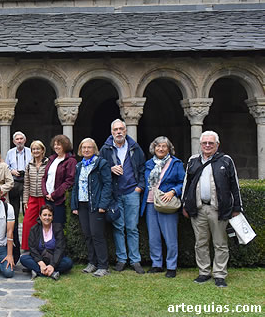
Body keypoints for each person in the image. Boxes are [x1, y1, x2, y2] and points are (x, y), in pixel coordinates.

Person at [182, 131, 242, 288]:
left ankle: (220, 275)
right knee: (200, 243)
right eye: (204, 143)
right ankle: (204, 273)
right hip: (198, 208)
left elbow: (234, 185)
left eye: (211, 143)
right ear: (200, 144)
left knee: (220, 243)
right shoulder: (193, 160)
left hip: (218, 209)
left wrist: (237, 207)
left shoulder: (226, 160)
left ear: (217, 145)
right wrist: (185, 205)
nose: (207, 145)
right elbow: (186, 184)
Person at [99, 119, 146, 274]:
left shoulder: (135, 148)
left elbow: (142, 168)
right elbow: (99, 169)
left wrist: (140, 187)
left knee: (132, 228)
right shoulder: (105, 149)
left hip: (132, 192)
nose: (118, 132)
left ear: (126, 131)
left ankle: (135, 260)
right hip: (115, 193)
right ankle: (121, 259)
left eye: (121, 129)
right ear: (112, 132)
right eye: (115, 130)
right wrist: (110, 169)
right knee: (118, 227)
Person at [141, 136, 185, 278]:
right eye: (158, 146)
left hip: (166, 204)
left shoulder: (176, 163)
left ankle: (171, 266)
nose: (160, 149)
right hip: (150, 203)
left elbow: (183, 182)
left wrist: (173, 192)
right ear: (153, 148)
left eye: (164, 146)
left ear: (169, 149)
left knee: (170, 236)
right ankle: (156, 264)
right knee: (153, 237)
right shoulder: (148, 164)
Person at [71, 138, 112, 277]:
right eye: (84, 148)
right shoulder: (79, 166)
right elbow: (75, 186)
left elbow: (107, 185)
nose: (86, 150)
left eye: (89, 147)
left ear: (94, 149)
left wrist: (103, 204)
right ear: (80, 150)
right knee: (87, 234)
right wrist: (74, 204)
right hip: (82, 204)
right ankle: (92, 262)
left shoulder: (101, 163)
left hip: (96, 204)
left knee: (97, 234)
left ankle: (103, 265)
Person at [20, 204, 73, 280]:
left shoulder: (58, 228)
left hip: (54, 259)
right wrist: (40, 263)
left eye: (49, 215)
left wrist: (52, 265)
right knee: (23, 259)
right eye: (44, 215)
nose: (47, 218)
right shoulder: (34, 229)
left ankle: (38, 271)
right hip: (40, 259)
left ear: (52, 217)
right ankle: (52, 273)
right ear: (40, 216)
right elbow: (32, 248)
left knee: (68, 262)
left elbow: (60, 248)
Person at [42, 135, 76, 224]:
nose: (56, 147)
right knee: (47, 225)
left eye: (59, 145)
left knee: (58, 226)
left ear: (65, 145)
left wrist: (54, 195)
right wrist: (45, 193)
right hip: (47, 198)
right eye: (55, 144)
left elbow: (69, 181)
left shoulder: (71, 161)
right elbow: (45, 177)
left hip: (59, 200)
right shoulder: (52, 159)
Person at [21, 140, 48, 251]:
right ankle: (27, 248)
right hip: (32, 197)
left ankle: (45, 247)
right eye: (33, 149)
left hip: (44, 197)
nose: (35, 151)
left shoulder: (48, 163)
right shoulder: (29, 165)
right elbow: (26, 184)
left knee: (45, 222)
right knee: (27, 222)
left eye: (38, 149)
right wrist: (25, 200)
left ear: (42, 150)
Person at [6, 131, 32, 216]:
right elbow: (6, 167)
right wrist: (12, 171)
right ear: (14, 141)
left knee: (27, 207)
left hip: (27, 181)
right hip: (15, 181)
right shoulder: (10, 152)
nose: (19, 141)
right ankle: (15, 228)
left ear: (25, 140)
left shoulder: (30, 151)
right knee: (14, 208)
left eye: (21, 139)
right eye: (17, 139)